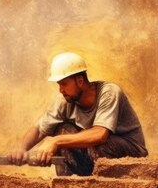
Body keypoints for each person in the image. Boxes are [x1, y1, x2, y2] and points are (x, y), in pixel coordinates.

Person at [9, 52, 148, 176]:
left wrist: (55, 142)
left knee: (88, 143)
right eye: (59, 84)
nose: (60, 90)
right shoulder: (65, 100)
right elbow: (39, 129)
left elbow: (100, 134)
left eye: (64, 84)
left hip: (131, 152)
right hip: (94, 153)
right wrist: (21, 149)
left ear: (80, 81)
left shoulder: (109, 92)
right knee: (62, 131)